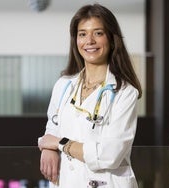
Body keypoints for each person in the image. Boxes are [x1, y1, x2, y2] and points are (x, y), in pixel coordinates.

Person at [38, 3, 142, 188]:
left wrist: (59, 144)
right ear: (76, 40)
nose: (89, 41)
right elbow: (52, 127)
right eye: (82, 34)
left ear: (111, 39)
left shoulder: (125, 93)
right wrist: (47, 148)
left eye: (98, 33)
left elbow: (110, 155)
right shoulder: (64, 85)